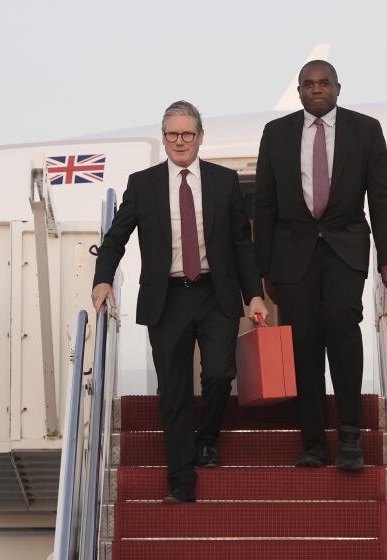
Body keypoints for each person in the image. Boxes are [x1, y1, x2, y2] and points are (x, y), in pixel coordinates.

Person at [92, 100, 268, 502]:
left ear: (201, 137)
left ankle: (207, 437)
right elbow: (116, 237)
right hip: (166, 298)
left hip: (214, 292)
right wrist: (103, 280)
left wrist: (254, 294)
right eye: (172, 134)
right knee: (173, 389)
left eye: (188, 133)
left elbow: (242, 244)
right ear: (164, 137)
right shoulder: (144, 183)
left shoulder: (224, 182)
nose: (180, 141)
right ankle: (181, 481)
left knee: (221, 374)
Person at [254, 61, 387, 471]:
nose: (317, 89)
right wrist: (263, 267)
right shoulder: (277, 133)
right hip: (293, 253)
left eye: (324, 83)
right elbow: (264, 204)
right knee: (303, 342)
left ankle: (350, 436)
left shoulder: (366, 129)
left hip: (345, 247)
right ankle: (312, 442)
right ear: (300, 91)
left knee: (342, 325)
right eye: (309, 84)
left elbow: (381, 197)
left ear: (338, 88)